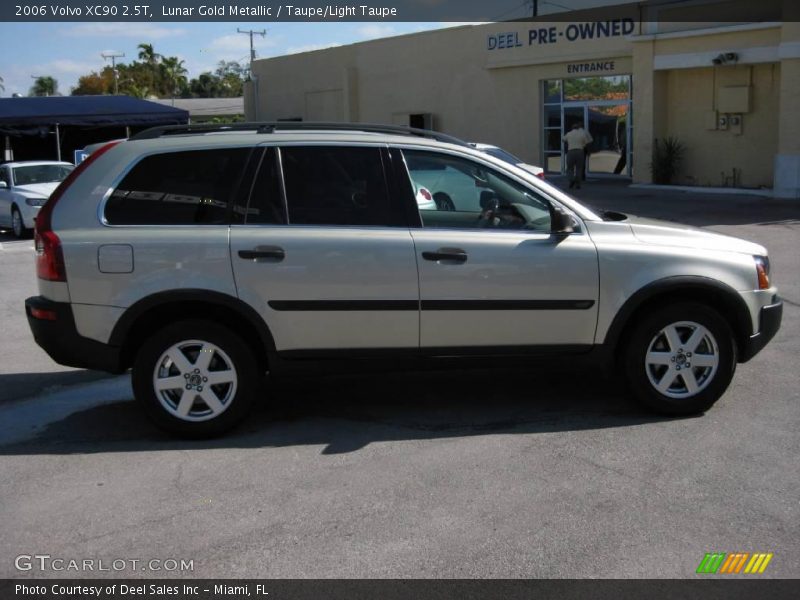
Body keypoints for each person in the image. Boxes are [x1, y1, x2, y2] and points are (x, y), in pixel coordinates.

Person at [562, 123, 593, 189]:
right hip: (580, 151)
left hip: (571, 151)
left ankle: (571, 180)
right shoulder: (582, 134)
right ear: (578, 128)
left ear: (572, 128)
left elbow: (563, 140)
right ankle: (578, 183)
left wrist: (569, 143)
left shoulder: (569, 133)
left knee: (570, 168)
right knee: (579, 168)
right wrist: (588, 151)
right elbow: (588, 143)